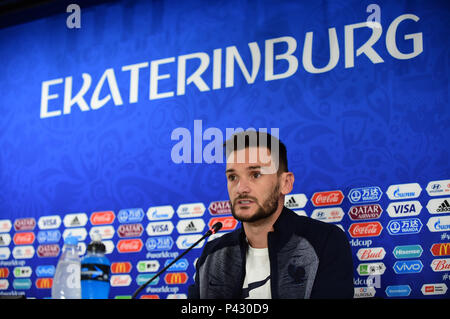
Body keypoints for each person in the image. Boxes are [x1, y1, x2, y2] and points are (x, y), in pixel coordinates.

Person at [188, 131, 354, 299]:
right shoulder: (213, 254)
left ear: (285, 183)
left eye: (255, 175)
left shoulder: (324, 242)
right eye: (232, 177)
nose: (240, 188)